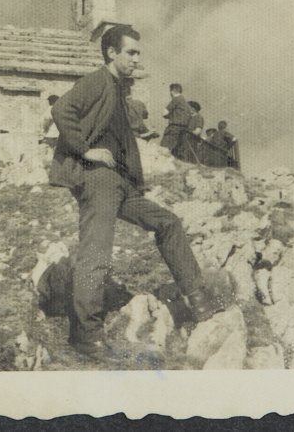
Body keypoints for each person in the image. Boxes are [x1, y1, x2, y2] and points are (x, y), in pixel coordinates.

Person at [49, 25, 214, 356]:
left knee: (168, 223)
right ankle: (86, 335)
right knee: (96, 252)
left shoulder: (119, 91)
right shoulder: (97, 80)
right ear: (112, 53)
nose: (137, 58)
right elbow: (61, 109)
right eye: (131, 52)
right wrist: (85, 150)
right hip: (98, 179)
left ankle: (198, 299)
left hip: (122, 185)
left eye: (139, 53)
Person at [160, 84, 192, 152]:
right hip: (183, 129)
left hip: (173, 128)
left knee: (164, 149)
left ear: (172, 91)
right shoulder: (186, 103)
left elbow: (164, 113)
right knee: (175, 150)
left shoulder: (176, 99)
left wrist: (170, 116)